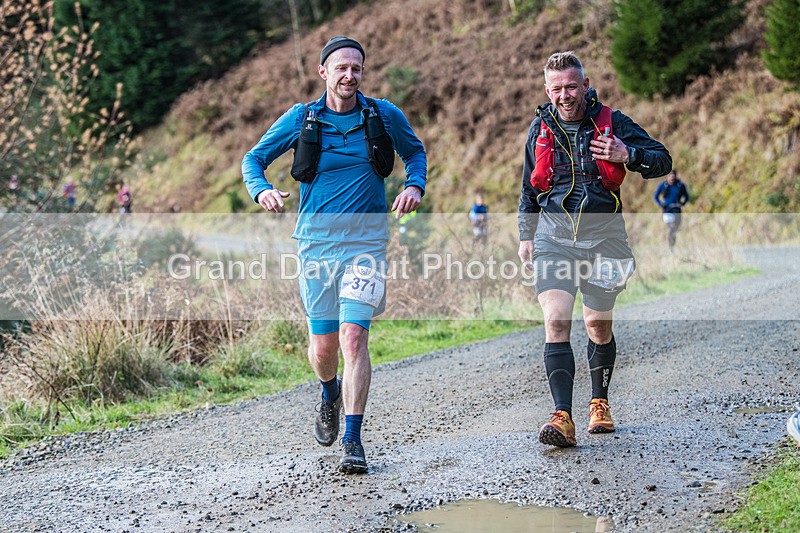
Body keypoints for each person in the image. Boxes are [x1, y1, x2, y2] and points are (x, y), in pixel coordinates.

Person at [242, 36, 427, 473]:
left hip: (367, 246)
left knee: (353, 337)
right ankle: (329, 392)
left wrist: (414, 184)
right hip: (315, 247)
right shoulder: (300, 118)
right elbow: (254, 159)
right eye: (340, 67)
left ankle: (353, 438)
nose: (349, 75)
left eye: (356, 69)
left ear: (363, 73)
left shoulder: (382, 115)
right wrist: (263, 189)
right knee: (324, 349)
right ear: (323, 72)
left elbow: (414, 151)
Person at [517, 51, 671, 448]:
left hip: (606, 241)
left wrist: (628, 155)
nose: (565, 95)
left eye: (571, 86)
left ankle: (598, 403)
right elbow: (527, 190)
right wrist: (526, 234)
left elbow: (663, 159)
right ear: (546, 90)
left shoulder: (613, 122)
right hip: (554, 239)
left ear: (585, 85)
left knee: (597, 325)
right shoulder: (540, 128)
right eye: (557, 88)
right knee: (556, 321)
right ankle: (562, 417)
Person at [653, 169, 689, 249]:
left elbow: (686, 197)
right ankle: (670, 247)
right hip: (667, 211)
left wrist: (682, 204)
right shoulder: (663, 185)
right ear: (667, 176)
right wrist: (661, 204)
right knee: (671, 228)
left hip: (677, 210)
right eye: (670, 175)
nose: (672, 177)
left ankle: (672, 245)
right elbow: (655, 197)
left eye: (673, 175)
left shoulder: (680, 185)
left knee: (675, 229)